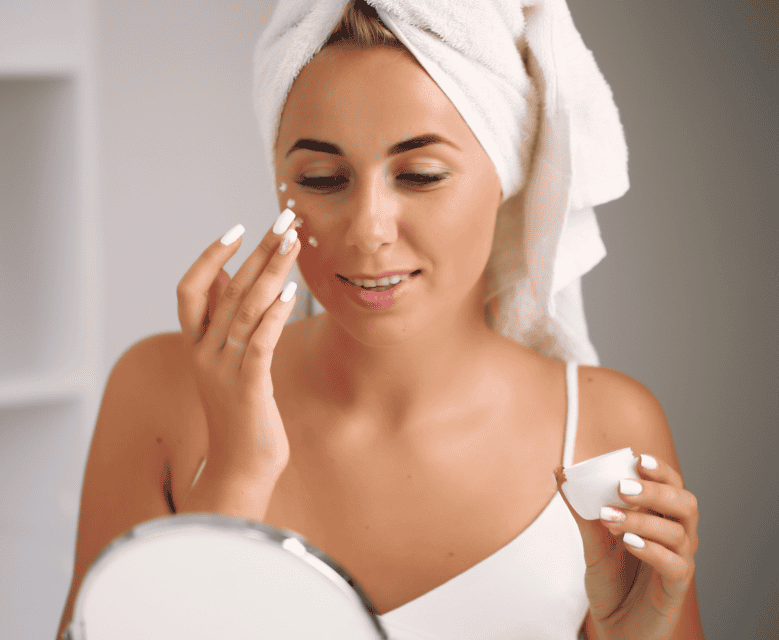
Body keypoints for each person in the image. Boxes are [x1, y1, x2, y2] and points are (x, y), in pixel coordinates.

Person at [57, 1, 704, 638]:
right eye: (322, 178)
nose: (368, 230)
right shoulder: (163, 393)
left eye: (420, 175)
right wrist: (235, 473)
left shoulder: (608, 429)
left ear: (505, 174)